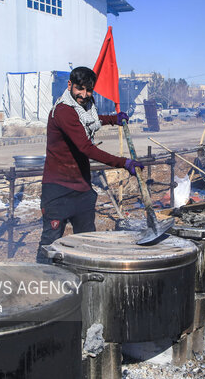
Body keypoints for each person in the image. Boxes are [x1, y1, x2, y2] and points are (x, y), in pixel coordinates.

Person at [37, 66, 143, 263]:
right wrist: (123, 162)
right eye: (80, 89)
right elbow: (86, 147)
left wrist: (113, 119)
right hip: (58, 190)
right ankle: (41, 284)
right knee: (50, 245)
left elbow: (88, 121)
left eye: (89, 90)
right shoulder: (63, 111)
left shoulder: (82, 111)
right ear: (70, 85)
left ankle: (84, 284)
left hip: (81, 189)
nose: (84, 95)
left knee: (87, 243)